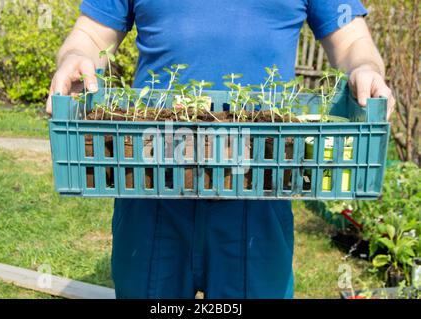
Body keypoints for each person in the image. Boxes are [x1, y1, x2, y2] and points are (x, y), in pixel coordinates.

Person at [46, 0, 395, 299]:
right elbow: (91, 35)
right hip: (150, 185)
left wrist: (366, 67)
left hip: (259, 187)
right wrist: (75, 56)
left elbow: (352, 41)